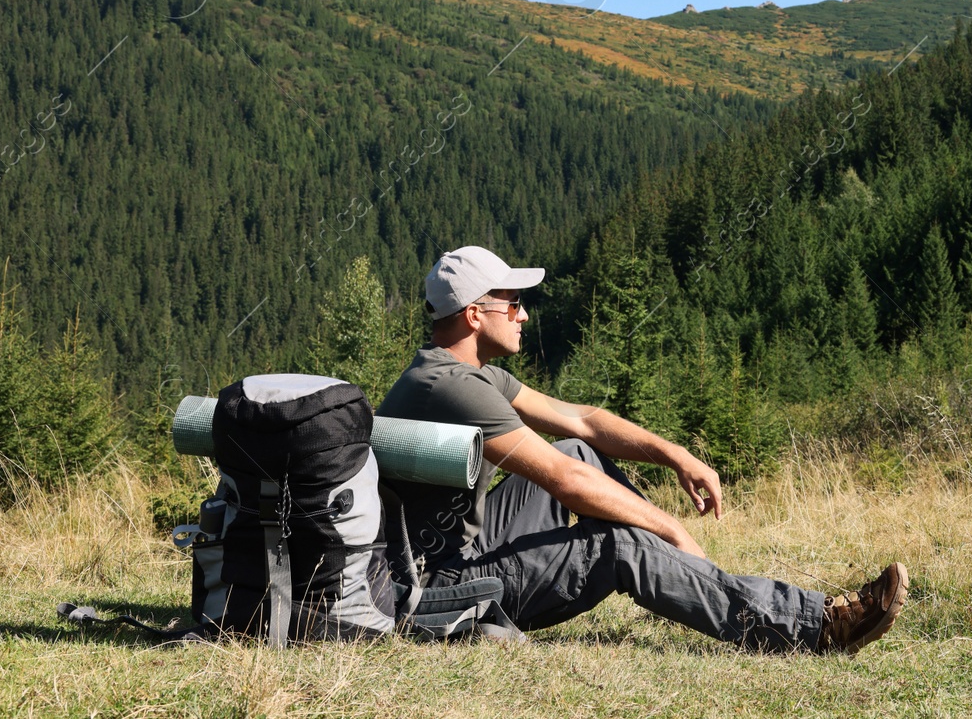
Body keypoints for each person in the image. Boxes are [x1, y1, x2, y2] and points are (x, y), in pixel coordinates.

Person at [376, 245, 907, 653]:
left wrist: (675, 453)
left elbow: (581, 421)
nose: (524, 315)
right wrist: (667, 526)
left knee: (581, 454)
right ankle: (813, 627)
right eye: (513, 304)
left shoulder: (462, 373)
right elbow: (564, 482)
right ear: (474, 314)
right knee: (619, 543)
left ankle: (687, 580)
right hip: (440, 586)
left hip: (457, 549)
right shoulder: (451, 387)